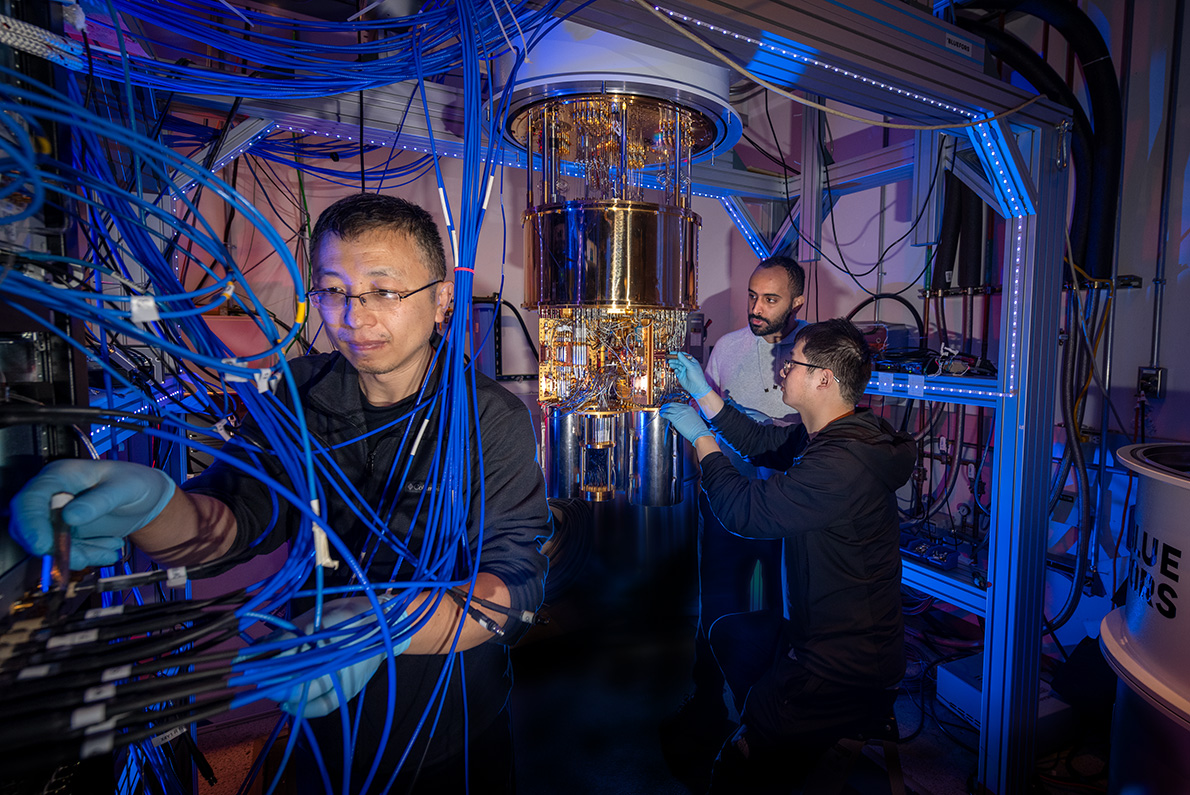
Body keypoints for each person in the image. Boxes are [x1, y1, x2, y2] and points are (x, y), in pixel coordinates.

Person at [9, 193, 552, 794]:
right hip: (311, 727)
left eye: (385, 290)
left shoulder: (489, 418)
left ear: (442, 298)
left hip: (449, 738)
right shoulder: (297, 394)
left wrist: (385, 624)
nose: (355, 315)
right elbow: (233, 521)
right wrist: (152, 506)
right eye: (334, 291)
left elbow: (514, 585)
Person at [661, 318, 915, 791]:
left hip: (845, 667)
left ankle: (766, 740)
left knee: (737, 768)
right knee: (730, 632)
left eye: (792, 364)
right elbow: (763, 443)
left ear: (824, 379)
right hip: (817, 638)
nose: (781, 372)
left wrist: (701, 439)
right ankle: (769, 720)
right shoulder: (837, 434)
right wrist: (704, 394)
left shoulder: (842, 465)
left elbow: (743, 512)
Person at [661, 257, 809, 783]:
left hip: (781, 504)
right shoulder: (727, 347)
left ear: (797, 303)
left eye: (770, 300)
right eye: (752, 296)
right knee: (717, 600)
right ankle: (709, 705)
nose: (755, 309)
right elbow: (719, 418)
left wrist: (768, 428)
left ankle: (763, 718)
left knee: (774, 607)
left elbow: (791, 438)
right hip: (726, 492)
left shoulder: (811, 353)